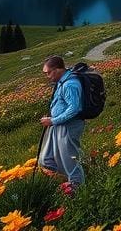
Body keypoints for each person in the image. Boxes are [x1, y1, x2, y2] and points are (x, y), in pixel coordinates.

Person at [39, 55, 85, 186]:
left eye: (48, 72)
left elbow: (74, 109)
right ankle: (68, 181)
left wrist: (53, 120)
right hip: (58, 124)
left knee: (69, 161)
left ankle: (77, 189)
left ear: (57, 69)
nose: (47, 76)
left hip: (69, 126)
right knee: (46, 159)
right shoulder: (62, 82)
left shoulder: (70, 84)